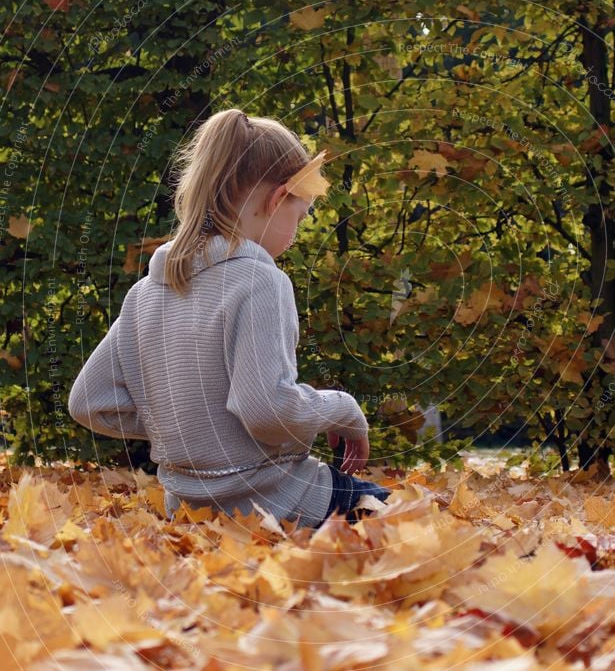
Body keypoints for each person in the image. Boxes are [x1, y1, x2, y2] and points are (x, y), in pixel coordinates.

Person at [68, 108, 391, 529]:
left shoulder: (147, 292)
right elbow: (268, 413)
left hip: (186, 512)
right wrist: (344, 410)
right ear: (277, 200)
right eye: (300, 213)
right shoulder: (260, 281)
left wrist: (189, 421)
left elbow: (88, 403)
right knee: (412, 524)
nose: (296, 230)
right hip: (276, 503)